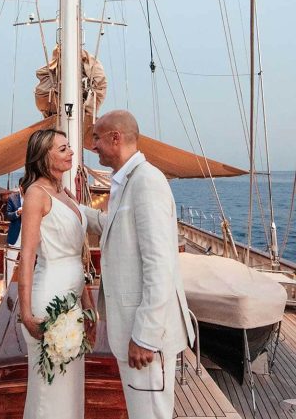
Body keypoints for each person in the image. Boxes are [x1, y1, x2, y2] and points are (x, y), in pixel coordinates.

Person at [81, 110, 194, 419]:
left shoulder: (147, 183)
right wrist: (73, 208)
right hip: (134, 331)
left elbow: (160, 265)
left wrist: (145, 336)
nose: (94, 147)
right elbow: (112, 226)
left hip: (145, 338)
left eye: (97, 139)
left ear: (115, 138)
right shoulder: (126, 183)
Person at [18, 129, 96, 419]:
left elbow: (77, 256)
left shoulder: (66, 194)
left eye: (69, 148)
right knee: (49, 391)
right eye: (63, 149)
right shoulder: (35, 195)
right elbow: (27, 257)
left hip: (73, 302)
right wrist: (26, 315)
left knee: (70, 388)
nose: (71, 153)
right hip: (49, 300)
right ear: (44, 156)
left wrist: (88, 307)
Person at [5, 187, 23, 282]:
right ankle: (6, 289)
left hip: (29, 237)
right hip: (15, 236)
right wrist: (17, 213)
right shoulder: (12, 198)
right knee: (10, 264)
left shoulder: (32, 197)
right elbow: (8, 215)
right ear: (20, 187)